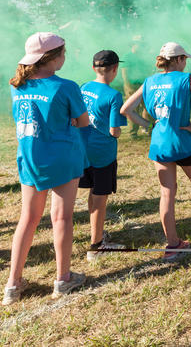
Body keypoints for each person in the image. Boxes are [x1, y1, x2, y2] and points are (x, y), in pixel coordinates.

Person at [122, 42, 191, 259]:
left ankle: (172, 245)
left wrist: (148, 126)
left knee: (167, 194)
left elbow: (126, 110)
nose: (186, 63)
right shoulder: (185, 78)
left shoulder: (149, 81)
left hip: (159, 144)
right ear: (179, 59)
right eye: (185, 59)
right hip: (183, 143)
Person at [4, 33, 89, 305]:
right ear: (53, 57)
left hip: (30, 157)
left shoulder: (17, 85)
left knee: (27, 219)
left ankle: (12, 284)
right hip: (62, 157)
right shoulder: (66, 86)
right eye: (63, 53)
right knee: (61, 218)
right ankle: (63, 278)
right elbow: (83, 122)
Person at [79, 50, 128, 261]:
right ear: (115, 69)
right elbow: (114, 131)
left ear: (93, 68)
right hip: (103, 154)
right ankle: (97, 245)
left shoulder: (84, 87)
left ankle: (96, 234)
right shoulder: (114, 95)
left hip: (83, 150)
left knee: (92, 194)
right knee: (100, 198)